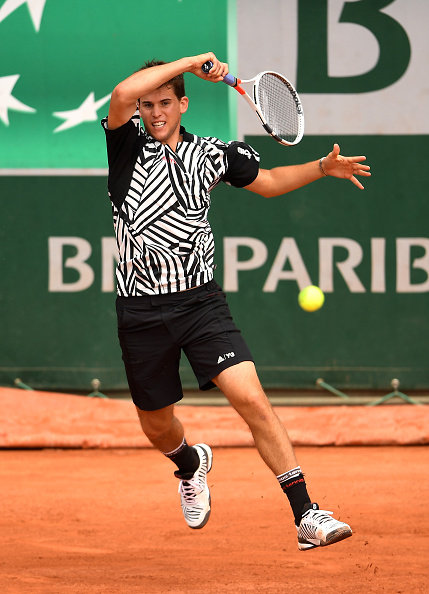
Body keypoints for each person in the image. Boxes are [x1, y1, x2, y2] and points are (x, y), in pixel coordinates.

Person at [101, 52, 370, 550]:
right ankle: (190, 463)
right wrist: (189, 61)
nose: (155, 112)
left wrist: (320, 167)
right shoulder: (125, 147)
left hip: (201, 305)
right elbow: (120, 94)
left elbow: (266, 185)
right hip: (140, 312)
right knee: (158, 428)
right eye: (147, 105)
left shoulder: (214, 153)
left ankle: (306, 516)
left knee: (251, 398)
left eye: (165, 102)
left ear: (183, 104)